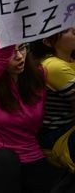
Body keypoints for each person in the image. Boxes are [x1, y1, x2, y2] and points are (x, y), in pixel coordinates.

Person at [0, 12, 65, 193]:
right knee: (7, 160)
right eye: (10, 52)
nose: (19, 56)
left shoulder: (38, 76)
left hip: (31, 156)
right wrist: (14, 5)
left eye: (22, 48)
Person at [31, 27, 75, 171]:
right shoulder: (53, 65)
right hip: (58, 134)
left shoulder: (69, 60)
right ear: (47, 42)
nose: (74, 30)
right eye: (65, 30)